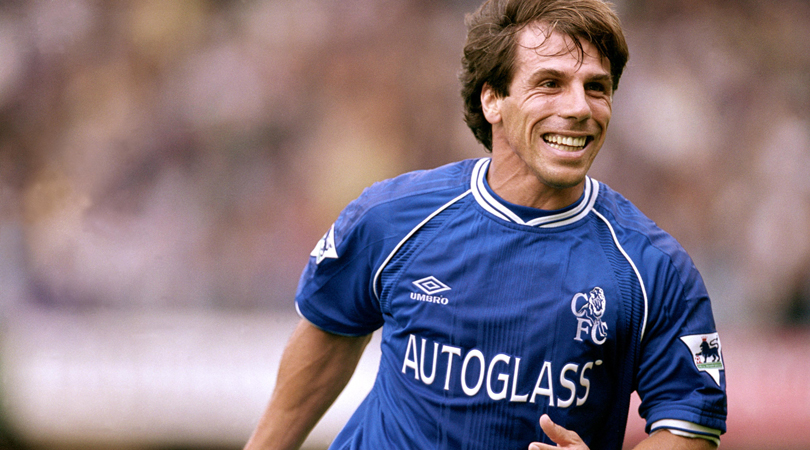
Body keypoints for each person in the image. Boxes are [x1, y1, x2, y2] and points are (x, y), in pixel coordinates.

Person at [244, 0, 727, 449]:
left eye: (596, 87)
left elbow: (691, 426)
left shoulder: (656, 270)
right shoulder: (392, 218)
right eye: (550, 83)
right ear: (493, 99)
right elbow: (329, 331)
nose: (579, 107)